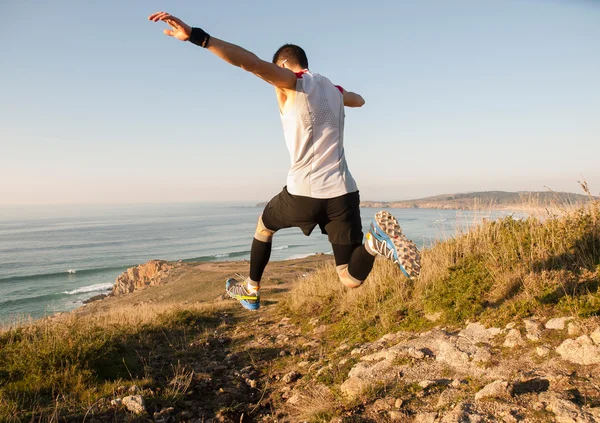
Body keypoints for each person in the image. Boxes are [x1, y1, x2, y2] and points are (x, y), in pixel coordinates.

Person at [149, 12, 421, 310]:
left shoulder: (291, 82)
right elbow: (359, 100)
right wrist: (341, 96)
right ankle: (375, 243)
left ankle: (251, 290)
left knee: (264, 227)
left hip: (303, 193)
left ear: (281, 65)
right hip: (343, 193)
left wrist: (197, 37)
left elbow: (248, 62)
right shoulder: (335, 91)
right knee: (349, 278)